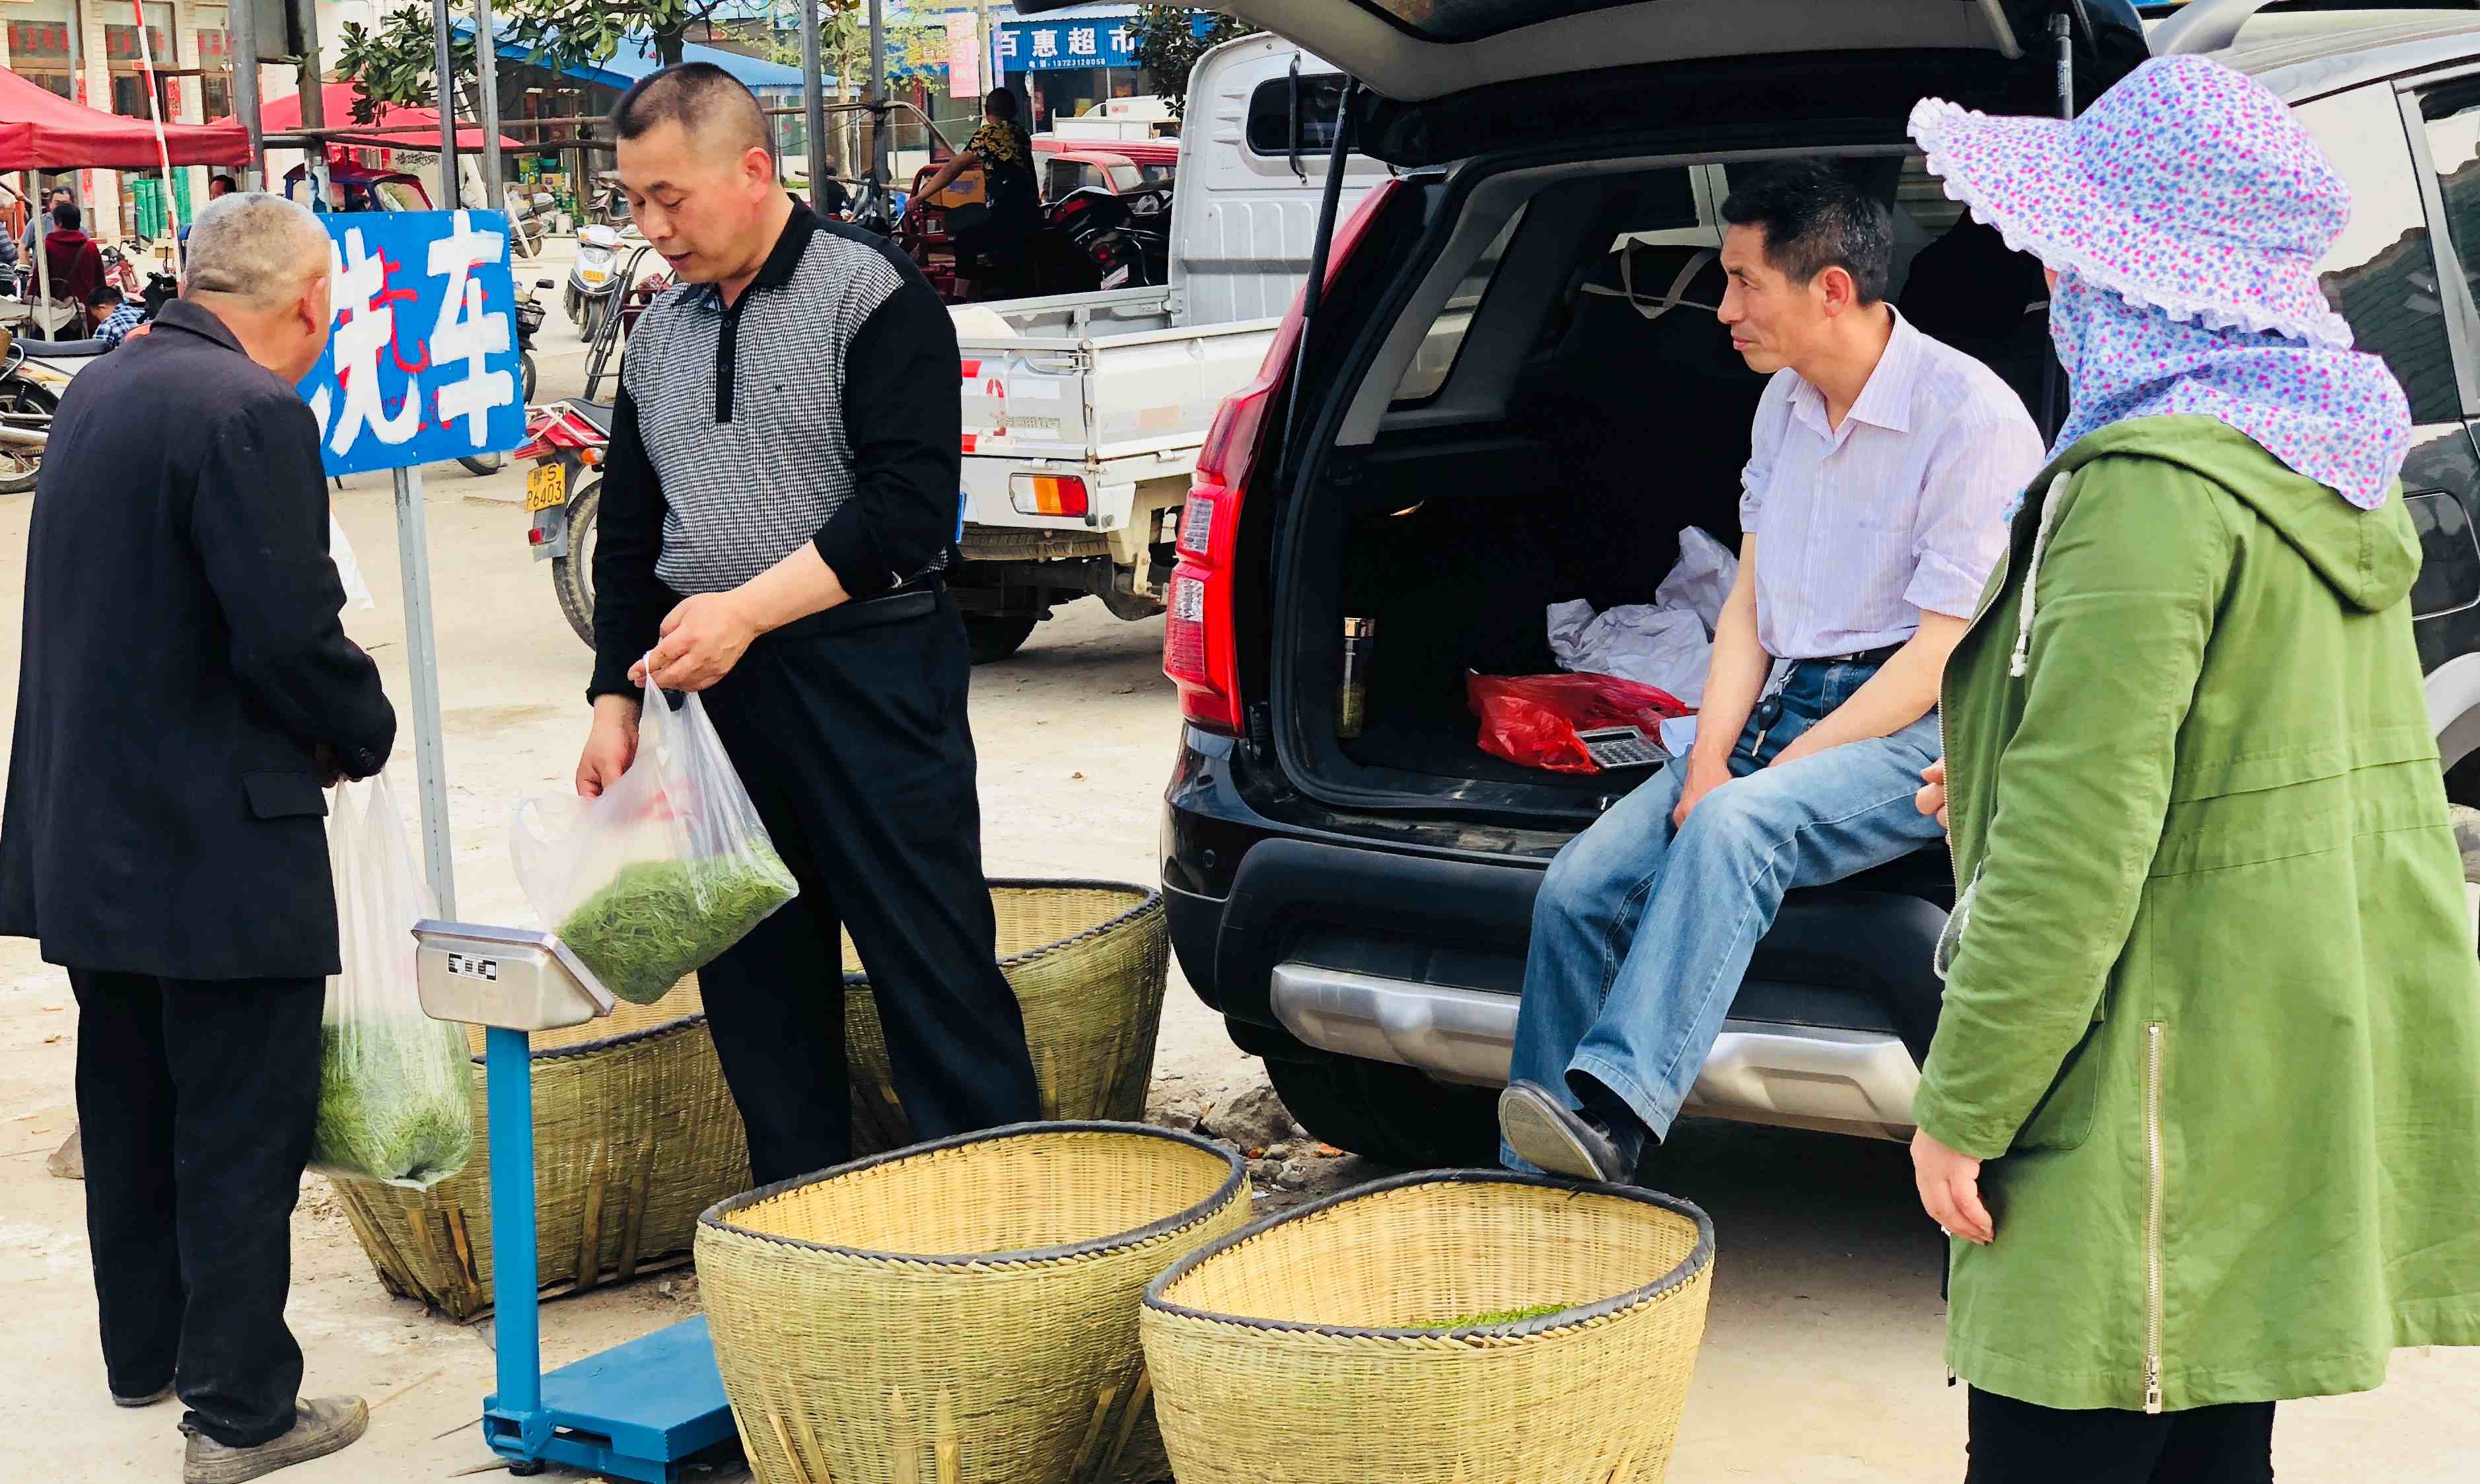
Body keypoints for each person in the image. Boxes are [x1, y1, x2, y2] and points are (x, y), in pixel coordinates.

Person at [1906, 56, 2480, 1481]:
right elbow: (2251, 768)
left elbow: (2072, 853)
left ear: (2140, 272)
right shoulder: (2319, 454)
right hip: (2251, 1063)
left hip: (2137, 1086)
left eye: (2073, 245)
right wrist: (1995, 765)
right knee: (2215, 1437)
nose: (2049, 275)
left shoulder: (2145, 489)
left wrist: (1963, 1105)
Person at [1495, 160, 2047, 1183]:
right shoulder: (1782, 405)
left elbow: (1936, 657)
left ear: (1829, 288)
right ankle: (1536, 1175)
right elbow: (1746, 606)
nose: (1722, 309)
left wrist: (1762, 778)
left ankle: (1611, 1117)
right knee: (1575, 887)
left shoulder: (1970, 419)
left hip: (1911, 726)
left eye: (1744, 281)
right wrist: (1709, 755)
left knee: (1733, 825)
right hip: (1775, 696)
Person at [579, 64, 1042, 1185]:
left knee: (930, 963)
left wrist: (744, 612)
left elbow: (904, 511)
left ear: (753, 170)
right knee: (756, 986)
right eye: (634, 201)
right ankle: (802, 1224)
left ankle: (1004, 1228)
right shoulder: (663, 329)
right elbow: (632, 531)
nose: (653, 228)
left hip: (867, 673)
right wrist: (612, 700)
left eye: (670, 197)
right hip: (714, 697)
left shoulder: (869, 294)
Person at [0, 191, 395, 1484]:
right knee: (239, 1122)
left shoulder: (104, 387)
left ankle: (149, 1352)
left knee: (131, 1100)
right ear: (311, 303)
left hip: (91, 830)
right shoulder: (251, 412)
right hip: (213, 840)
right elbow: (289, 632)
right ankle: (239, 1410)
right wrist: (364, 725)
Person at [908, 88, 1042, 293]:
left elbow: (953, 168)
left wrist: (920, 197)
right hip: (1031, 217)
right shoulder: (1021, 134)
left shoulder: (989, 135)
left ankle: (959, 297)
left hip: (1008, 218)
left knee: (965, 240)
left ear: (986, 112)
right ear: (1015, 111)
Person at [42, 199, 106, 310]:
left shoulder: (47, 247)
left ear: (59, 223)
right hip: (87, 312)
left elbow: (38, 283)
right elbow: (100, 282)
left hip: (56, 313)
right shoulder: (90, 247)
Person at [83, 283, 145, 347]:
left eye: (97, 316)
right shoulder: (144, 312)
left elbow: (96, 350)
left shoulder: (108, 325)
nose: (100, 321)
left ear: (102, 307)